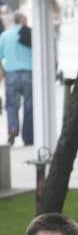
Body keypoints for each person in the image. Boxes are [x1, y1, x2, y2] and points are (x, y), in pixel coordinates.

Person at [0, 12, 33, 145]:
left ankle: (13, 128)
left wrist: (2, 70)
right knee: (29, 105)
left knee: (11, 105)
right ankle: (28, 136)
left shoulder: (5, 35)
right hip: (29, 73)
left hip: (11, 74)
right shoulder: (30, 34)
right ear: (24, 21)